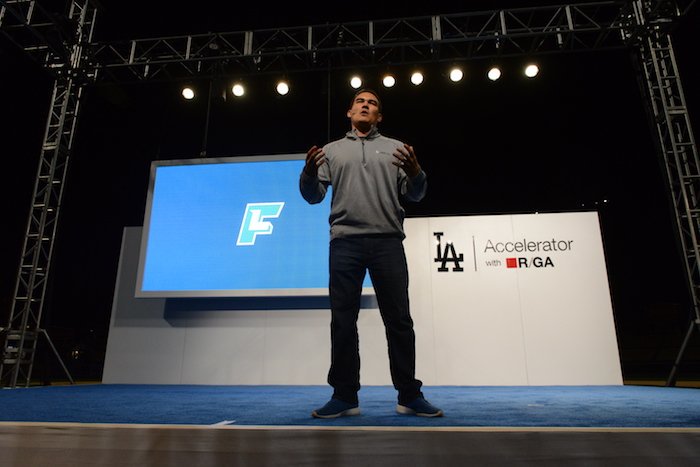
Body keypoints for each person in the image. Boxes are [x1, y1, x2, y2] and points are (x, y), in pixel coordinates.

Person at [299, 88, 443, 418]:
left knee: (400, 321)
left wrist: (417, 171)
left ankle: (409, 395)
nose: (366, 105)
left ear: (379, 116)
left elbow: (416, 194)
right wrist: (307, 174)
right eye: (360, 102)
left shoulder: (396, 149)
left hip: (387, 243)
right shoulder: (331, 152)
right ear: (349, 113)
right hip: (345, 243)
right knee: (343, 321)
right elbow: (313, 197)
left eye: (373, 103)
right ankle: (344, 395)